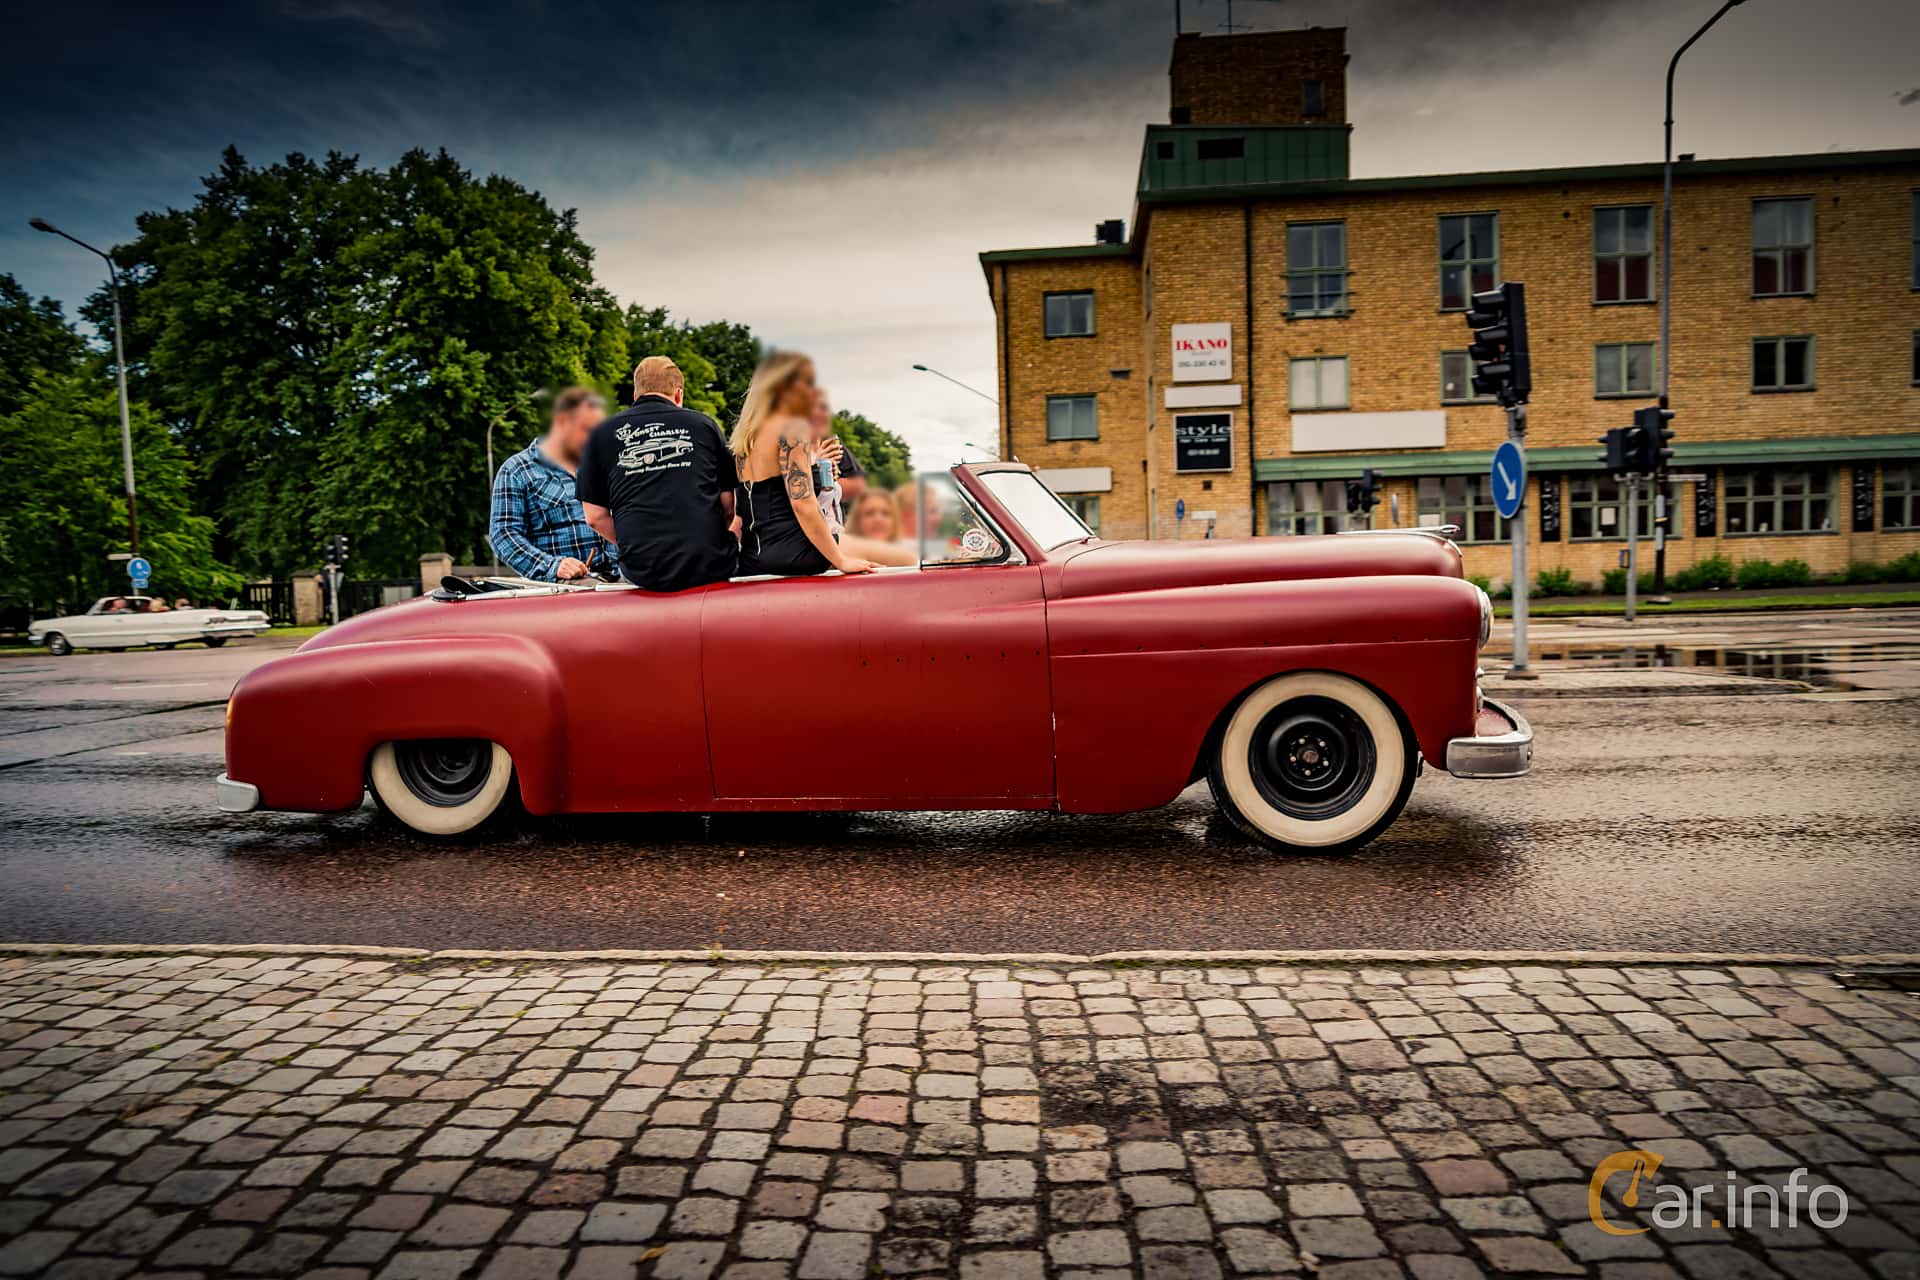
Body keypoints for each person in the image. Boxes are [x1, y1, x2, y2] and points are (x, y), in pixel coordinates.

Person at [578, 356, 738, 592]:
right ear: (678, 394)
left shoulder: (601, 435)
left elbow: (594, 517)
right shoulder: (704, 426)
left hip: (642, 570)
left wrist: (637, 546)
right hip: (708, 564)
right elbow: (728, 507)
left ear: (636, 394)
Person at [731, 352, 879, 578]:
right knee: (902, 556)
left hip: (755, 556)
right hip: (795, 550)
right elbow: (802, 503)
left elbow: (742, 514)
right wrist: (840, 560)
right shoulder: (792, 430)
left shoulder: (744, 444)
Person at [489, 386, 615, 582]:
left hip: (615, 585)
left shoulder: (601, 465)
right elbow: (503, 534)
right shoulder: (516, 470)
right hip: (558, 591)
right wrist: (552, 566)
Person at [809, 389, 866, 510]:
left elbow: (859, 485)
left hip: (832, 522)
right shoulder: (789, 449)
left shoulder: (831, 445)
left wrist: (831, 479)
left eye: (823, 409)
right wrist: (817, 470)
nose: (818, 414)